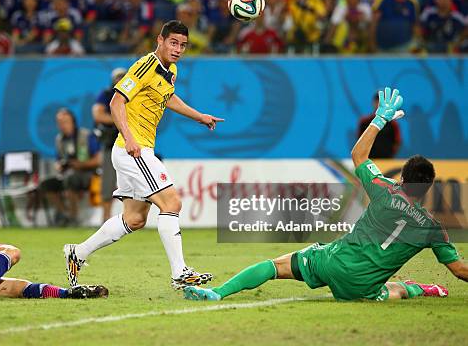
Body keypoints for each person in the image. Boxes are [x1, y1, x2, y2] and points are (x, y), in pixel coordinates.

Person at [184, 88, 467, 302]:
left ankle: (217, 293)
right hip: (361, 288)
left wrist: (380, 118)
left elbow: (358, 154)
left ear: (402, 178)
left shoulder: (385, 190)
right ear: (428, 188)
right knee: (396, 288)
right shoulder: (432, 228)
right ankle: (423, 289)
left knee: (274, 266)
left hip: (332, 262)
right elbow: (458, 270)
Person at [64, 20, 224, 290]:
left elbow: (168, 98)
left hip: (133, 150)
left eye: (183, 45)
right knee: (171, 202)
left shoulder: (170, 70)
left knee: (135, 219)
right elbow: (116, 102)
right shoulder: (144, 65)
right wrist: (129, 138)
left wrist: (199, 116)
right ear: (159, 40)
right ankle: (180, 273)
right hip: (132, 150)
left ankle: (77, 253)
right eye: (173, 43)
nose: (178, 49)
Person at [39, 109, 100, 223]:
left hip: (89, 173)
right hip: (67, 173)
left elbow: (98, 160)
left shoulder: (86, 135)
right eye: (60, 123)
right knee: (46, 184)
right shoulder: (59, 139)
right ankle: (64, 214)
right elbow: (58, 160)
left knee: (70, 179)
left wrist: (79, 164)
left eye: (65, 122)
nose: (62, 125)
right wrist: (59, 166)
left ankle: (73, 217)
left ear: (73, 122)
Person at [92, 67, 126, 223]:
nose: (119, 80)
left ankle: (132, 218)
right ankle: (105, 217)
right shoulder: (106, 95)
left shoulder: (134, 95)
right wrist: (121, 120)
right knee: (108, 182)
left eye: (123, 77)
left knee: (133, 182)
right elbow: (98, 114)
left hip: (130, 143)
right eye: (117, 77)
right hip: (111, 143)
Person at [357, 93, 401, 158]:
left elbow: (397, 142)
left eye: (381, 101)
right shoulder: (364, 122)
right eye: (377, 101)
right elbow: (360, 141)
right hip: (369, 160)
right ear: (373, 103)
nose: (379, 104)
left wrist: (389, 155)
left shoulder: (393, 124)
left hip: (386, 161)